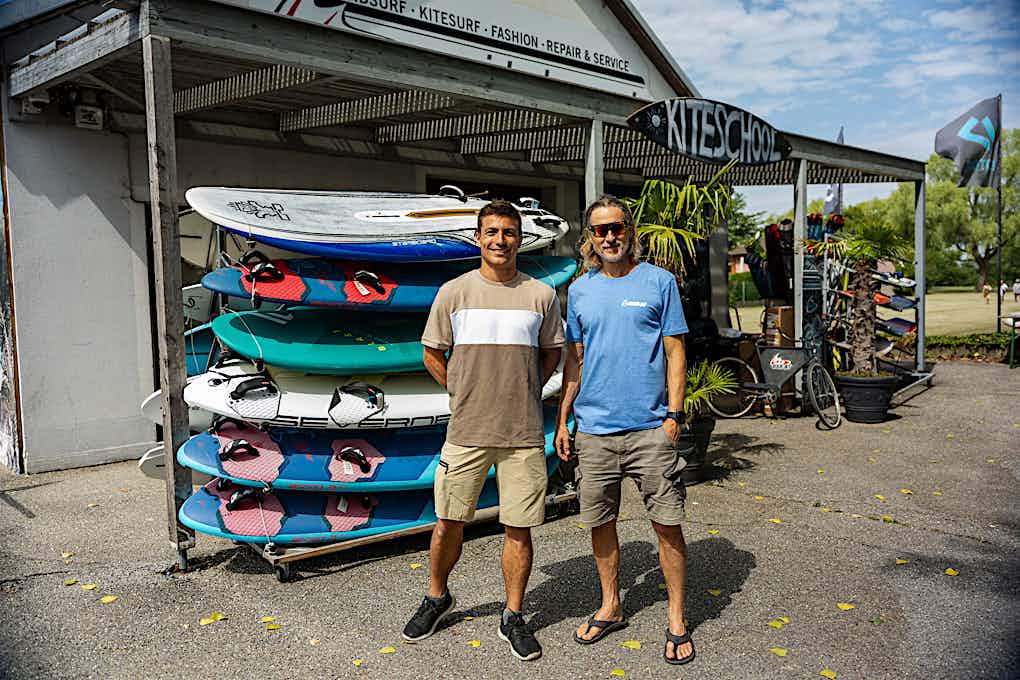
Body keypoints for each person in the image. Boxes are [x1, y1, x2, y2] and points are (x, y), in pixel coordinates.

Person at [402, 200, 563, 662]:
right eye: (491, 232)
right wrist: (464, 389)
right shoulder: (453, 292)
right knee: (449, 521)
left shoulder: (541, 295)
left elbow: (551, 353)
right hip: (467, 430)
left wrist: (526, 386)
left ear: (519, 238)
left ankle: (513, 615)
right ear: (479, 238)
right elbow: (433, 352)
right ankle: (437, 596)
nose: (500, 240)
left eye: (509, 232)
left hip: (523, 434)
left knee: (519, 528)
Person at [554, 195, 693, 666]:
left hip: (652, 429)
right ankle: (611, 606)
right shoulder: (581, 290)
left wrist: (674, 416)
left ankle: (676, 618)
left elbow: (676, 352)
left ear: (629, 230)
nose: (609, 237)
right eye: (599, 230)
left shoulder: (659, 281)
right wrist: (564, 418)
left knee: (667, 524)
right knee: (600, 524)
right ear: (589, 238)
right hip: (594, 431)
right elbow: (574, 360)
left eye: (616, 228)